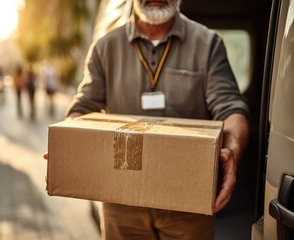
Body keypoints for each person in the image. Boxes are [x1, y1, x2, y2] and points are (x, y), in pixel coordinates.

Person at [46, 0, 249, 239]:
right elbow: (82, 108)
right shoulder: (105, 47)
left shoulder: (207, 44)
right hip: (120, 202)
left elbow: (232, 109)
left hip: (188, 199)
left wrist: (232, 151)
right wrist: (69, 146)